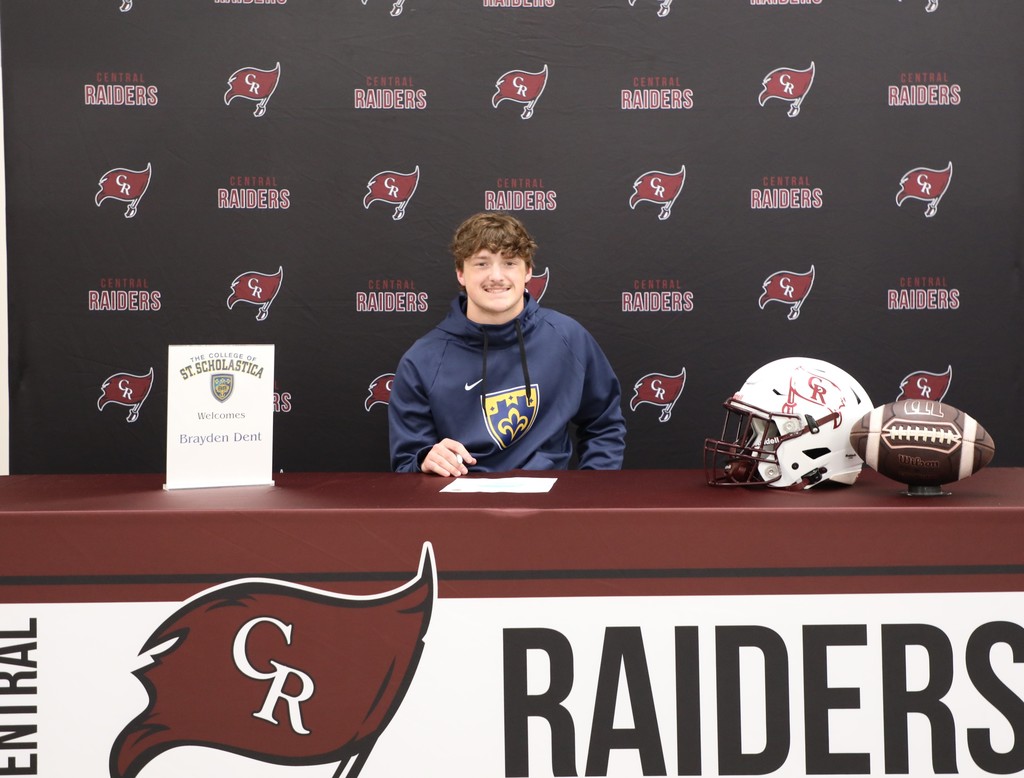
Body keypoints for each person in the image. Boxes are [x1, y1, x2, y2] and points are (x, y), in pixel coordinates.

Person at [389, 212, 626, 476]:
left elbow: (604, 424)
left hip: (549, 505)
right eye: (481, 263)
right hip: (463, 507)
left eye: (510, 262)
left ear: (528, 272)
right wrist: (425, 460)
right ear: (460, 273)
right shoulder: (423, 359)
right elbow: (406, 462)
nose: (496, 276)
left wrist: (590, 489)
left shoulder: (568, 337)